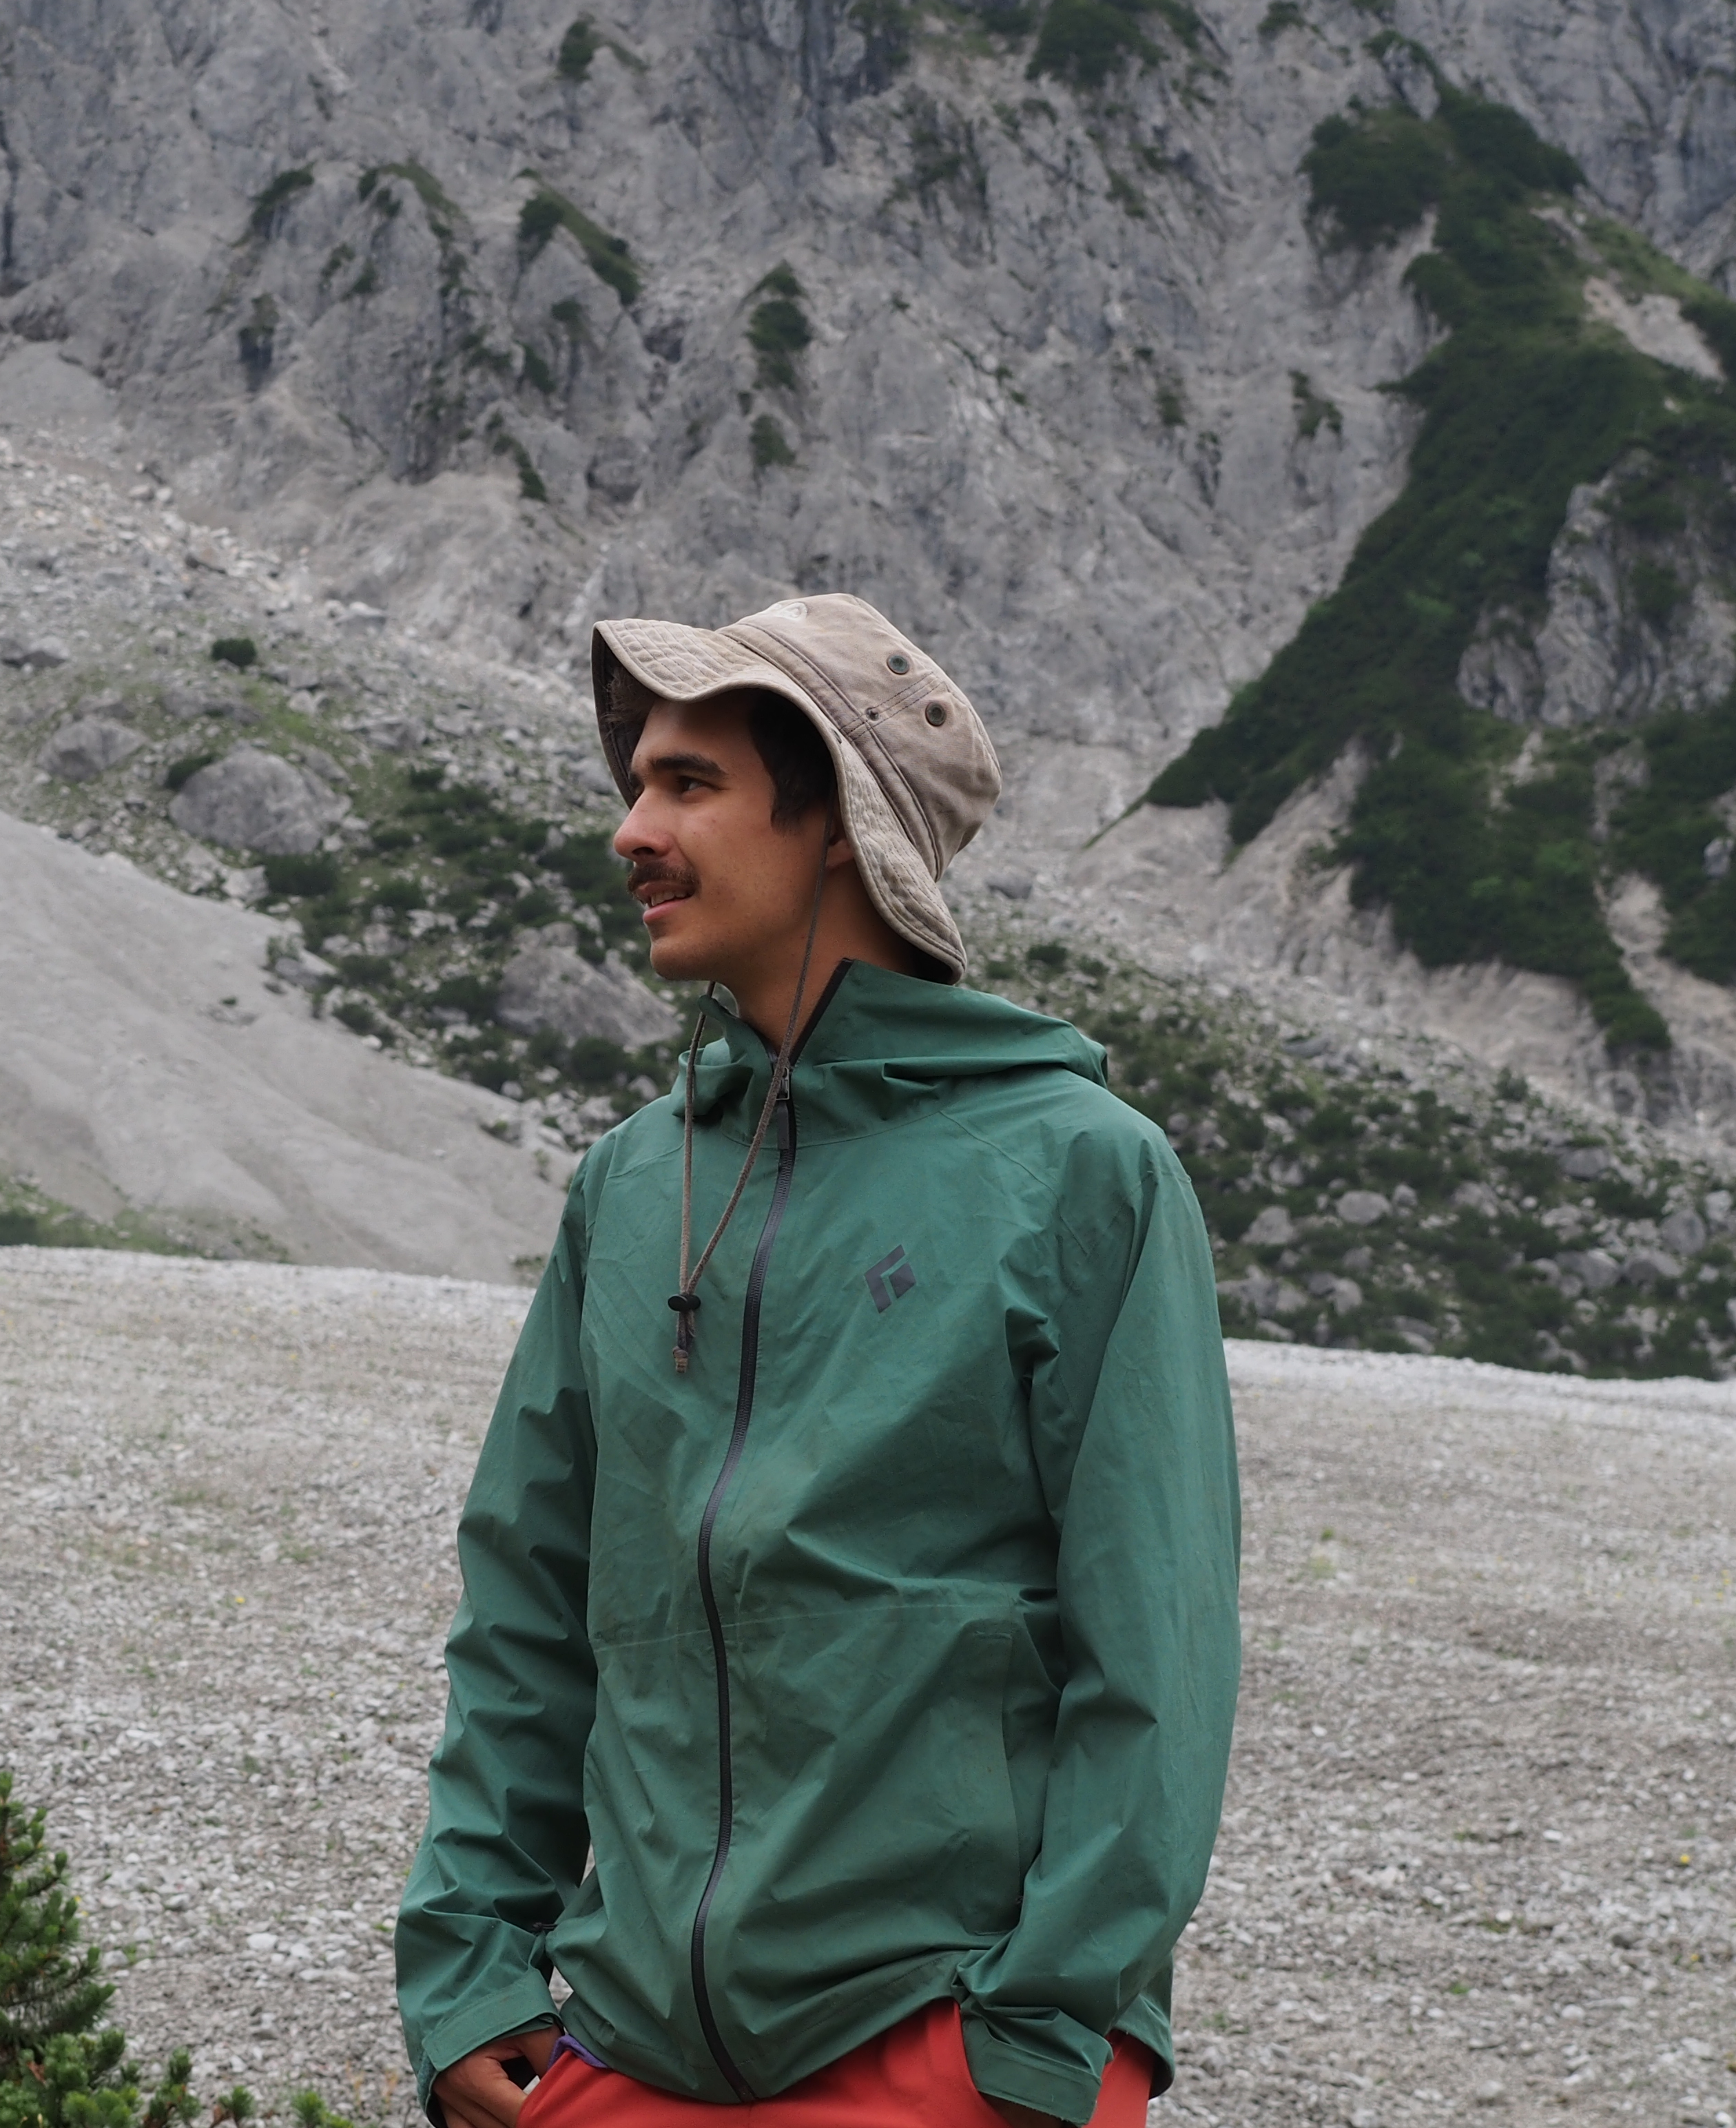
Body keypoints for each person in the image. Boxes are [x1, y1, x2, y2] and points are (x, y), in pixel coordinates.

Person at [394, 595, 1241, 2128]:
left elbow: (1155, 1656)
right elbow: (529, 1603)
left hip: (933, 2056)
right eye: (636, 783)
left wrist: (1044, 2045)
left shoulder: (1083, 1174)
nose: (632, 833)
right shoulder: (631, 1187)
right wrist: (470, 1975)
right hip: (622, 2055)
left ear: (840, 822)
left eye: (690, 784)